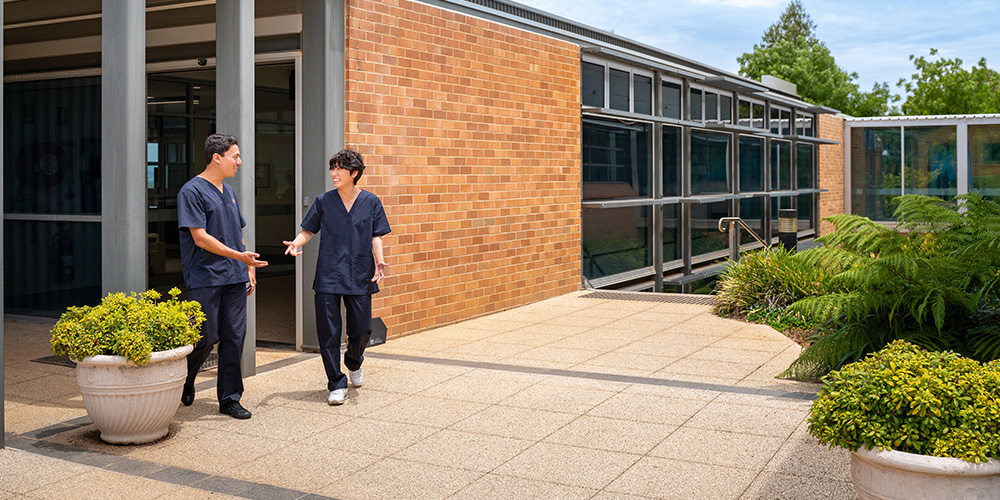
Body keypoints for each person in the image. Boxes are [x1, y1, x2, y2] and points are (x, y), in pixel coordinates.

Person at [283, 149, 390, 405]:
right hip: (329, 273)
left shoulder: (371, 201)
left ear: (354, 173)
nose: (334, 173)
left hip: (360, 272)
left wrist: (380, 260)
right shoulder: (323, 201)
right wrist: (296, 243)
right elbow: (308, 230)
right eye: (332, 168)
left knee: (362, 329)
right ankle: (336, 382)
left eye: (340, 168)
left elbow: (376, 234)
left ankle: (353, 361)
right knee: (329, 332)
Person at [177, 133, 268, 419]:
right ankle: (185, 378)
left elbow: (237, 233)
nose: (239, 162)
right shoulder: (191, 191)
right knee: (206, 337)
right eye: (235, 156)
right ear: (217, 158)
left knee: (234, 337)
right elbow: (200, 238)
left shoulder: (228, 191)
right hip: (205, 276)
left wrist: (248, 266)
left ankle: (230, 398)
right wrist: (239, 258)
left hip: (234, 277)